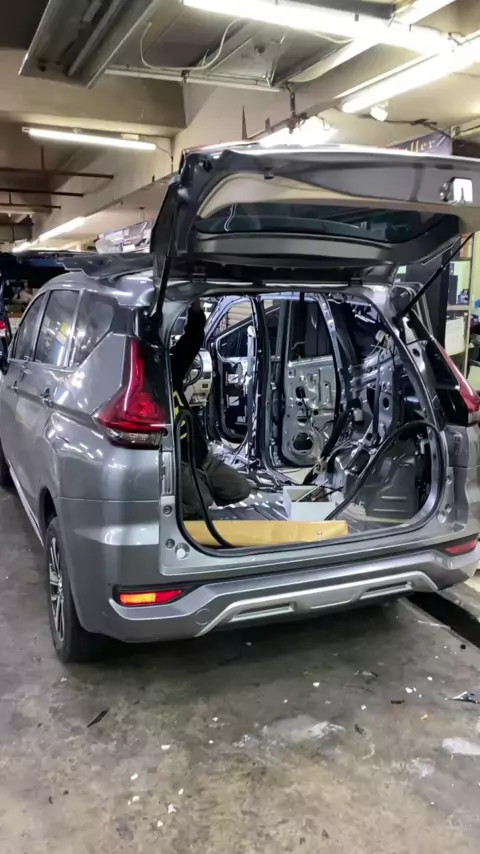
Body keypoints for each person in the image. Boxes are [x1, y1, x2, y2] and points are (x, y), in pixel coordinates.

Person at [170, 299, 252, 518]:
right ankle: (183, 503)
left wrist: (195, 311)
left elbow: (192, 339)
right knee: (201, 503)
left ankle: (198, 487)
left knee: (241, 489)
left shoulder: (171, 369)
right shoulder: (139, 390)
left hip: (203, 457)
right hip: (179, 462)